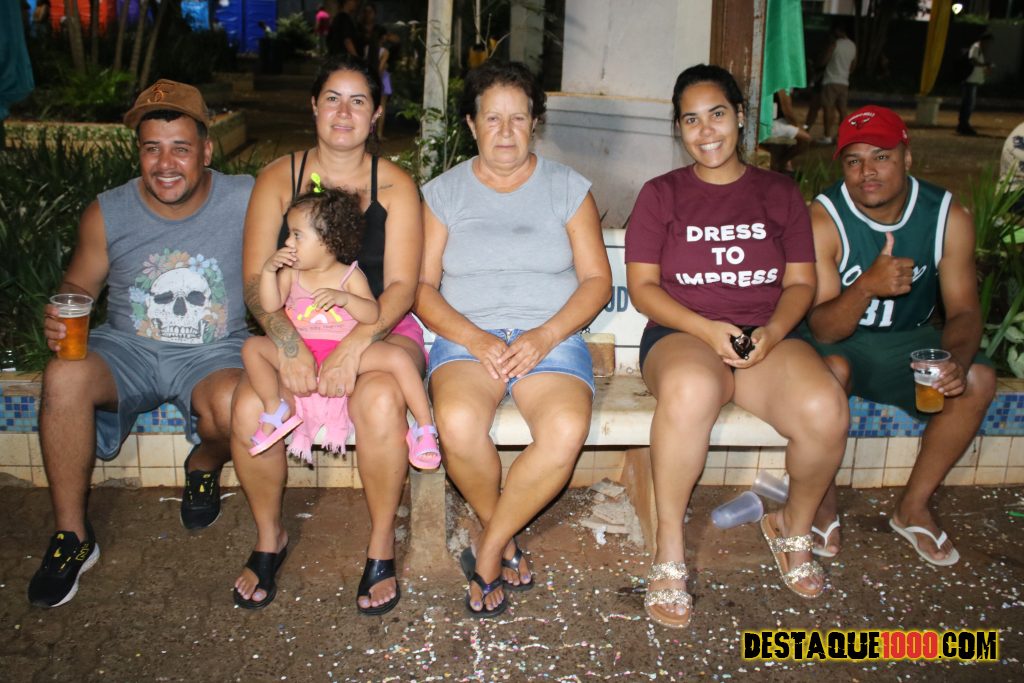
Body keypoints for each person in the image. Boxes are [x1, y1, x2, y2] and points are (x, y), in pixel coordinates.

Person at [625, 64, 848, 629]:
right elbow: (643, 288)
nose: (706, 131)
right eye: (691, 120)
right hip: (682, 334)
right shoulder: (661, 194)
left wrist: (772, 333)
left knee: (825, 406)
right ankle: (670, 549)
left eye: (718, 114)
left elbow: (801, 283)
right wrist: (706, 329)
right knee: (692, 388)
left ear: (742, 116)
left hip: (766, 334)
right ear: (679, 128)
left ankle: (793, 525)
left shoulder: (779, 192)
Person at [27, 80, 254, 608]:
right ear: (138, 153)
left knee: (237, 405)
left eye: (180, 148)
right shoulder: (108, 211)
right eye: (152, 148)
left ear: (206, 151)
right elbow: (79, 285)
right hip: (127, 350)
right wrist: (63, 309)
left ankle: (204, 463)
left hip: (212, 352)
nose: (165, 163)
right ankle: (72, 536)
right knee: (63, 375)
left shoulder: (245, 197)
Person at [416, 61, 612, 618]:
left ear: (534, 124)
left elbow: (597, 280)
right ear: (471, 124)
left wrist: (546, 335)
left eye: (518, 118)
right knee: (457, 423)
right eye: (492, 118)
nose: (505, 131)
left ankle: (489, 546)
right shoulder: (444, 194)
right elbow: (422, 289)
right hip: (465, 340)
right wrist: (475, 338)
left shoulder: (567, 188)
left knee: (565, 429)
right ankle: (502, 538)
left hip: (550, 339)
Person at [230, 54, 424, 613]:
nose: (344, 112)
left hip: (379, 325)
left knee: (381, 399)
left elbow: (403, 286)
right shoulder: (278, 178)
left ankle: (381, 543)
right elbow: (255, 282)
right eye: (332, 99)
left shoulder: (395, 185)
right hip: (297, 326)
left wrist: (355, 345)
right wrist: (288, 345)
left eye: (358, 100)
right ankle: (270, 536)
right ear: (313, 106)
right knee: (250, 406)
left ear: (377, 113)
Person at [804, 105, 997, 566]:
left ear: (906, 157)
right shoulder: (823, 217)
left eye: (881, 156)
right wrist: (866, 286)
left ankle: (912, 507)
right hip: (839, 341)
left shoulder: (948, 215)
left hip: (907, 339)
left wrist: (956, 362)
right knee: (830, 371)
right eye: (854, 160)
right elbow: (824, 326)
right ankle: (821, 500)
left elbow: (965, 310)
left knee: (978, 380)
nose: (867, 172)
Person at [242, 187, 438, 468]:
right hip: (304, 353)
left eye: (296, 235)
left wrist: (346, 299)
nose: (287, 242)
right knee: (252, 348)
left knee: (398, 358)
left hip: (341, 352)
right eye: (289, 234)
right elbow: (270, 305)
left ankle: (424, 427)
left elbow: (372, 314)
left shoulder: (349, 276)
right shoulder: (290, 274)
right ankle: (274, 406)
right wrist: (269, 272)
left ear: (327, 240)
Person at [816, 24, 856, 145]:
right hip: (844, 82)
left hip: (831, 80)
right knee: (842, 110)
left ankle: (827, 136)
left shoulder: (834, 44)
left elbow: (823, 61)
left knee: (828, 108)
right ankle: (841, 136)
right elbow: (853, 66)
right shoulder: (852, 45)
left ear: (838, 31)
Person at [763, 89, 811, 174]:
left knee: (793, 133)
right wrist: (798, 126)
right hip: (771, 123)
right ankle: (781, 163)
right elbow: (787, 111)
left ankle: (784, 163)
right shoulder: (782, 87)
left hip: (773, 120)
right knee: (806, 138)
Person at [958, 33, 994, 136]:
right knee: (968, 104)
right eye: (988, 42)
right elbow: (972, 61)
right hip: (970, 80)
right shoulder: (976, 47)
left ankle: (963, 125)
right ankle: (963, 125)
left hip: (973, 80)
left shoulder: (979, 49)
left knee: (968, 104)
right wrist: (984, 65)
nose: (988, 45)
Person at [365, 25, 392, 140]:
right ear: (383, 37)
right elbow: (380, 69)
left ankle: (369, 132)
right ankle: (379, 134)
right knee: (382, 107)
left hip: (369, 78)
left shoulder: (367, 49)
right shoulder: (385, 52)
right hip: (382, 79)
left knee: (370, 106)